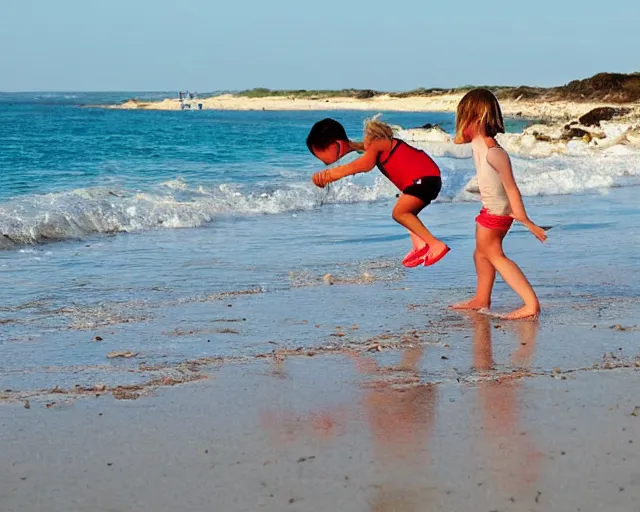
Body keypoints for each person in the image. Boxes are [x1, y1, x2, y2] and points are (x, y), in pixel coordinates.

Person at [451, 89, 547, 319]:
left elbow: (512, 188)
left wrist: (525, 219)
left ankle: (531, 304)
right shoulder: (477, 142)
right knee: (480, 254)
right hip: (490, 209)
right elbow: (460, 138)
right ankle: (481, 298)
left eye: (465, 118)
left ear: (478, 118)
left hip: (498, 213)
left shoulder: (494, 153)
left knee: (495, 255)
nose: (461, 126)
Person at [307, 117, 449, 267]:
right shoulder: (370, 146)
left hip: (425, 177)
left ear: (335, 144)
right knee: (406, 213)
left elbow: (365, 164)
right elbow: (361, 149)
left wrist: (331, 174)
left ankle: (435, 244)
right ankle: (420, 246)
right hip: (422, 179)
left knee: (400, 213)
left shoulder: (375, 142)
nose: (327, 162)